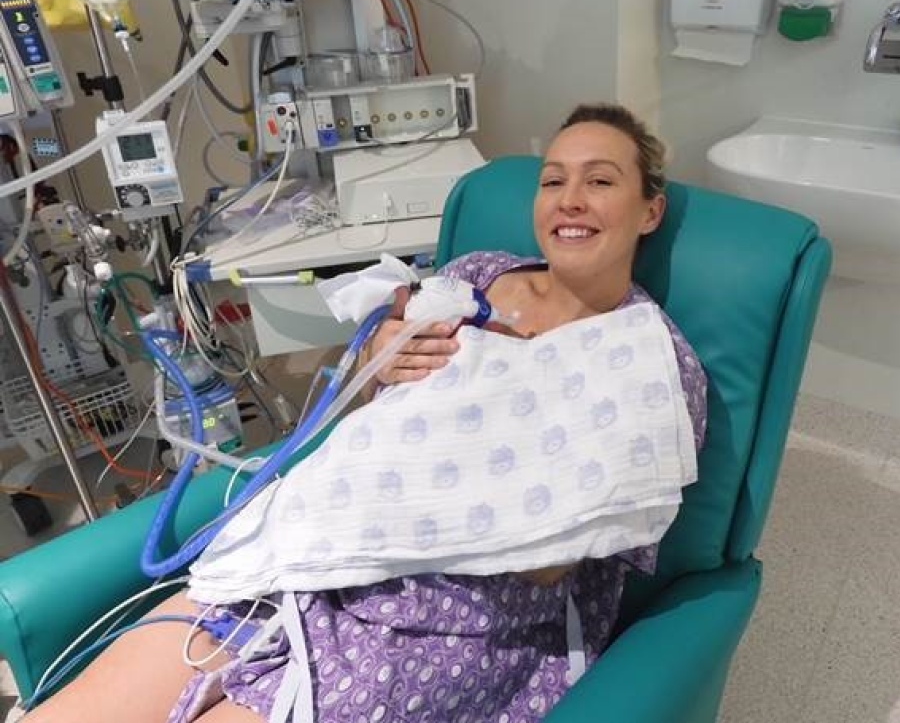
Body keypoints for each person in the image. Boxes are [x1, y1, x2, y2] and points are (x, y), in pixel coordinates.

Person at [22, 103, 707, 723]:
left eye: (601, 180)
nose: (570, 200)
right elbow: (361, 416)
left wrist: (456, 438)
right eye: (553, 180)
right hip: (309, 562)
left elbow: (546, 559)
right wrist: (378, 359)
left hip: (449, 620)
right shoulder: (478, 273)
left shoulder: (645, 364)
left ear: (650, 210)